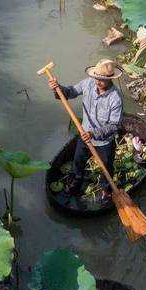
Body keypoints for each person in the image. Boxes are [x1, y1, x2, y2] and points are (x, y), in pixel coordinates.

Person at [48, 59, 123, 199]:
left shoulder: (115, 98)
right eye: (96, 77)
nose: (97, 81)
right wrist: (57, 88)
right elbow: (70, 92)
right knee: (78, 162)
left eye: (101, 79)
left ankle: (107, 190)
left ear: (110, 79)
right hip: (84, 135)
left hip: (104, 141)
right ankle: (74, 184)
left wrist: (93, 134)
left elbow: (115, 125)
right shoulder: (88, 83)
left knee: (106, 167)